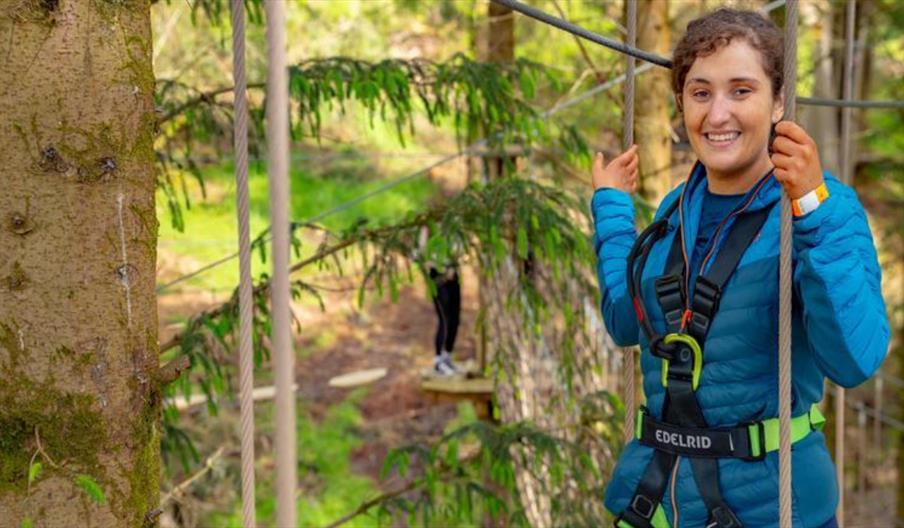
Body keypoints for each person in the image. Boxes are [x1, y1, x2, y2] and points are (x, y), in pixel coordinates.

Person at [590, 8, 888, 528]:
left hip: (772, 508)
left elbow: (854, 361)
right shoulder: (673, 212)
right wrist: (613, 212)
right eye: (701, 93)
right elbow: (624, 322)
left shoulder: (821, 209)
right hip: (661, 502)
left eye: (742, 91)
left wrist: (814, 210)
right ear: (681, 102)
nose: (718, 114)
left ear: (778, 103)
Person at [417, 225, 462, 376]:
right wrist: (439, 267)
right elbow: (423, 254)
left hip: (452, 275)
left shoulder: (451, 226)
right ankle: (438, 361)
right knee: (445, 319)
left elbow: (457, 250)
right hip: (438, 278)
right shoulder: (428, 229)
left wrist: (452, 267)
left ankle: (447, 356)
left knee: (455, 319)